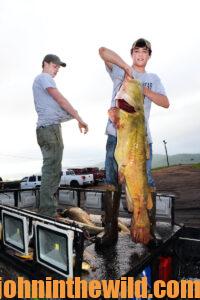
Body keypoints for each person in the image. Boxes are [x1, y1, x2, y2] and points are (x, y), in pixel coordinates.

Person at [96, 38, 169, 248]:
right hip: (115, 137)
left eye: (144, 52)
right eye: (137, 51)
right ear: (131, 53)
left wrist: (144, 90)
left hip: (142, 141)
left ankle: (148, 229)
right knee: (111, 181)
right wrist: (127, 68)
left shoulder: (152, 78)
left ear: (149, 55)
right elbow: (102, 51)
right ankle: (110, 232)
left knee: (146, 182)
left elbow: (165, 102)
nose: (140, 55)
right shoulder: (120, 72)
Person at [33, 54, 88, 217]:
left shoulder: (41, 82)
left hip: (47, 129)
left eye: (58, 68)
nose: (56, 70)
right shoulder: (44, 78)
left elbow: (57, 110)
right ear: (45, 64)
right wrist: (78, 117)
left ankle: (47, 210)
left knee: (52, 171)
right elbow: (61, 100)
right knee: (52, 171)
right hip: (49, 130)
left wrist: (73, 116)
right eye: (54, 66)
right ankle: (47, 214)